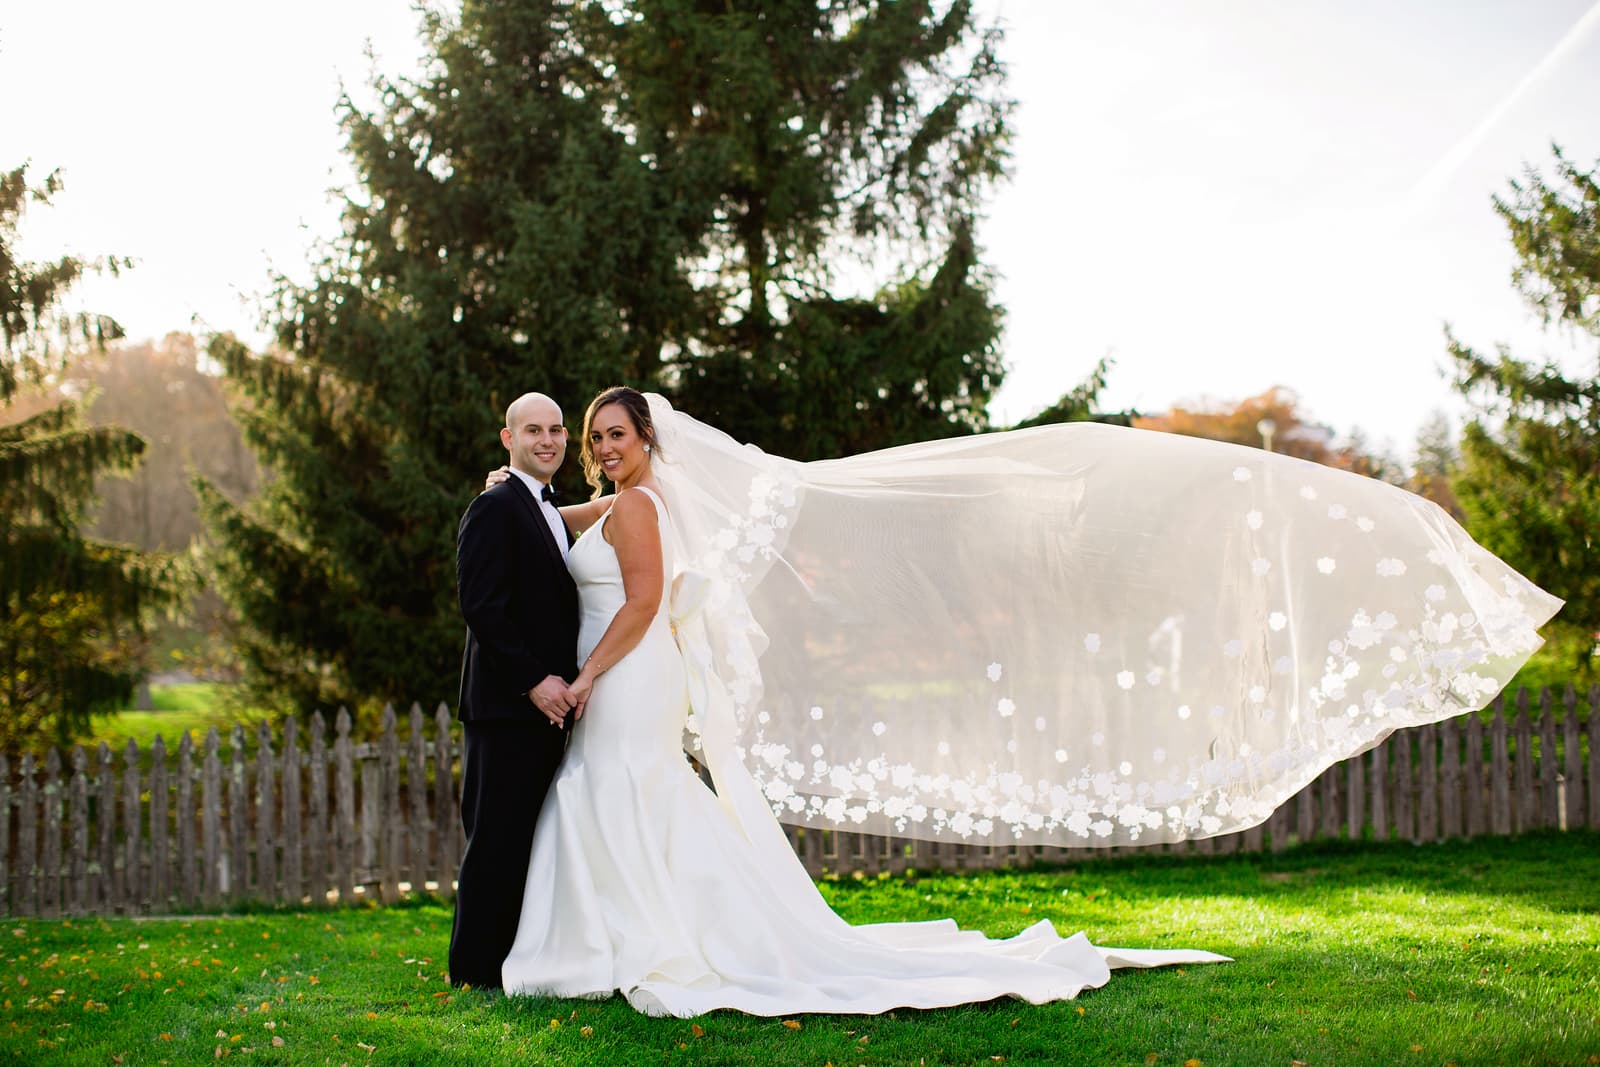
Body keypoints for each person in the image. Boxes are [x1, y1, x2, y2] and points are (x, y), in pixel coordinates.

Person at [489, 387, 1559, 1016]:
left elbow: (633, 600)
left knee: (623, 786)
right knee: (627, 791)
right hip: (628, 680)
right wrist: (523, 492)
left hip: (625, 673)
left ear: (649, 442)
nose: (604, 446)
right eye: (595, 436)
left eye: (616, 434)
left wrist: (583, 674)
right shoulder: (624, 500)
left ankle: (642, 935)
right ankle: (648, 927)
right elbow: (573, 514)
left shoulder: (636, 510)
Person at [448, 392, 610, 990]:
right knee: (495, 838)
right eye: (533, 431)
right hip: (507, 706)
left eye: (557, 430)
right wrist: (535, 682)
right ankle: (473, 973)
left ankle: (515, 960)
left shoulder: (544, 506)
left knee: (528, 838)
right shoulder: (495, 505)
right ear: (507, 438)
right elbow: (481, 607)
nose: (548, 440)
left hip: (546, 707)